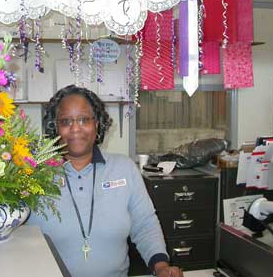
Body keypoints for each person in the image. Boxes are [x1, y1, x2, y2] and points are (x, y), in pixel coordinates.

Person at [26, 84, 183, 277]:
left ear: (97, 124)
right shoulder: (32, 174)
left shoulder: (124, 169)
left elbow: (145, 224)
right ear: (55, 127)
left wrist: (160, 266)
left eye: (84, 119)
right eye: (66, 121)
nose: (75, 128)